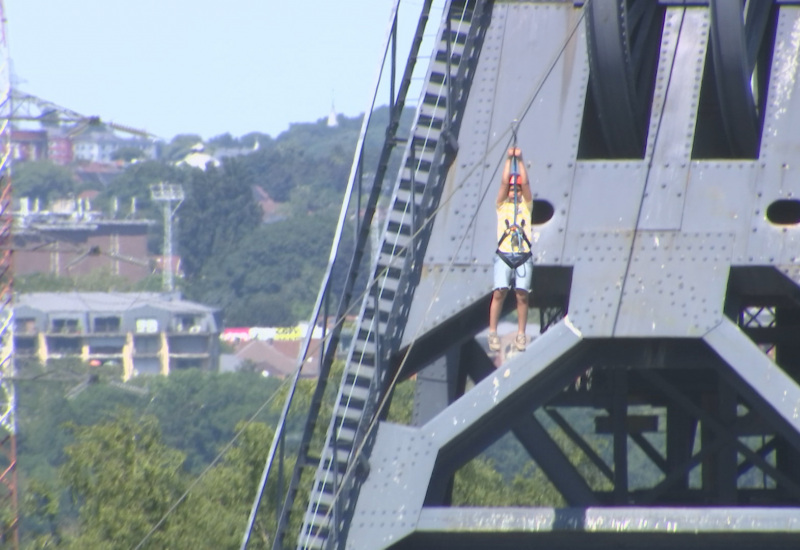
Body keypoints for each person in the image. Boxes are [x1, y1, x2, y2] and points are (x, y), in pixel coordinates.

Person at [488, 147, 533, 353]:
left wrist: (520, 159)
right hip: (504, 254)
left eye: (517, 190)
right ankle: (493, 332)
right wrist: (509, 159)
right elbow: (504, 182)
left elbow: (525, 183)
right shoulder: (501, 205)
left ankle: (521, 334)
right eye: (512, 190)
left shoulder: (526, 206)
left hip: (523, 255)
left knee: (522, 294)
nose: (514, 192)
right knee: (499, 293)